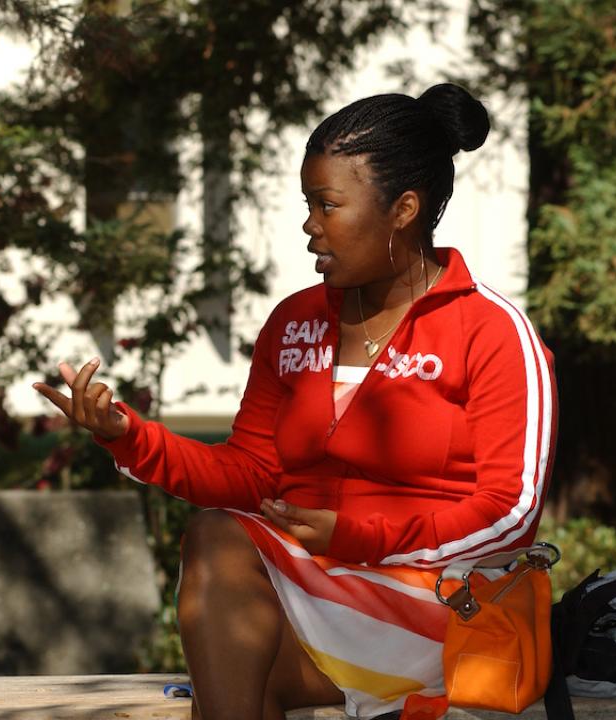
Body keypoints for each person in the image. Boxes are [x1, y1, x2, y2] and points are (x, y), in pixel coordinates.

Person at [35, 83, 556, 720]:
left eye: (328, 205)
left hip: (447, 609)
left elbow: (511, 514)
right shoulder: (294, 322)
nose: (310, 226)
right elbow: (248, 476)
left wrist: (360, 537)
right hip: (321, 596)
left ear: (403, 210)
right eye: (307, 205)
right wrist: (126, 436)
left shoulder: (492, 330)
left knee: (224, 606)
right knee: (235, 644)